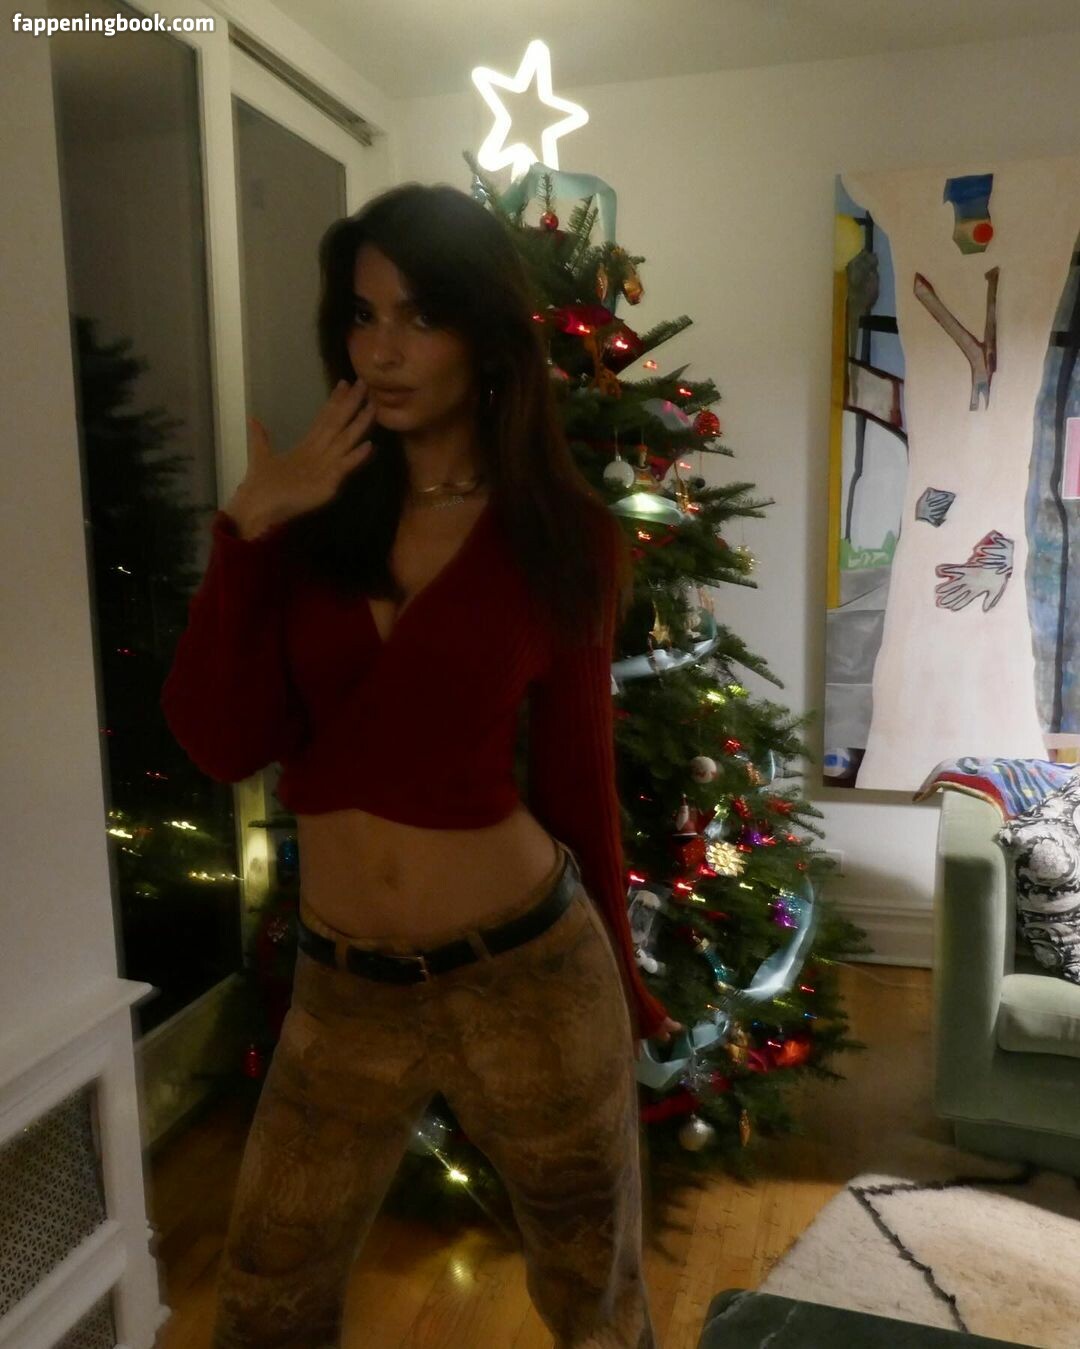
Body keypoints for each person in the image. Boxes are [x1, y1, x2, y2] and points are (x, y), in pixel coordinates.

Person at [161, 181, 681, 1349]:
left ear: (485, 336)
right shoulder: (310, 523)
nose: (382, 349)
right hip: (343, 991)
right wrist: (249, 528)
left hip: (529, 975)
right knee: (263, 1298)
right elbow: (221, 739)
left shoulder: (562, 535)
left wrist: (625, 979)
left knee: (594, 1300)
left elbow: (578, 779)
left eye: (420, 316)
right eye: (362, 315)